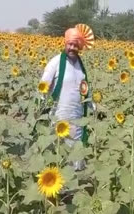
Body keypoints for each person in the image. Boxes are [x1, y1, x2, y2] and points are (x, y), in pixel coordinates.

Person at [39, 25, 95, 171]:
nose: (72, 47)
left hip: (77, 116)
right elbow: (43, 85)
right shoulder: (56, 62)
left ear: (80, 47)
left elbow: (85, 89)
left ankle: (73, 187)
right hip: (59, 115)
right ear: (65, 43)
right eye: (70, 44)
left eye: (75, 45)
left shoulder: (80, 66)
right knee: (59, 150)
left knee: (76, 149)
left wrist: (93, 106)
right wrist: (41, 104)